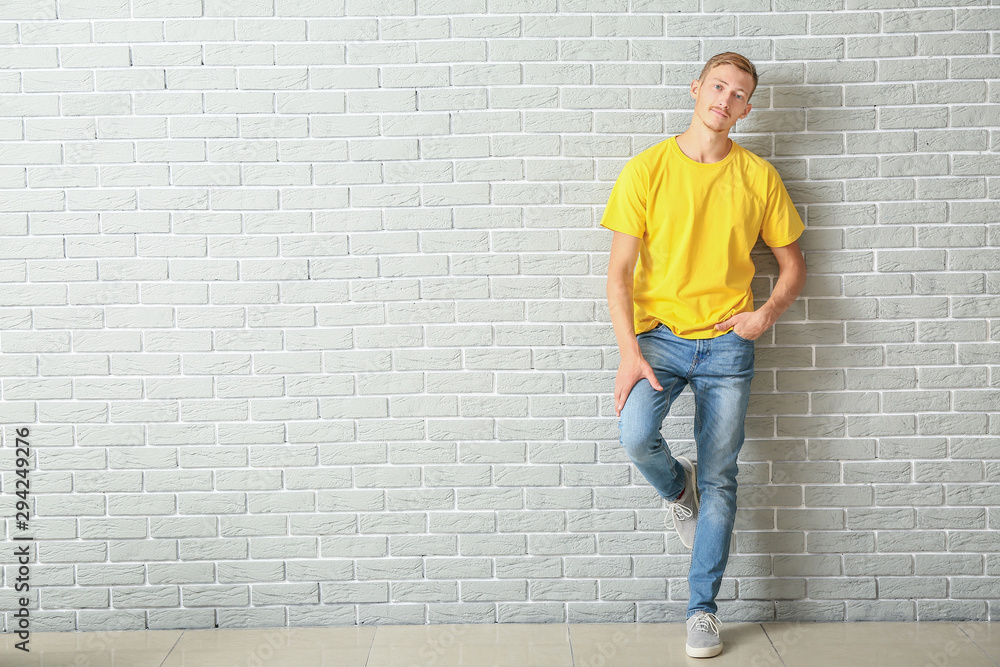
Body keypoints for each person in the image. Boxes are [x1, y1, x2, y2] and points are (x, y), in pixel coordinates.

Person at [601, 52, 806, 658]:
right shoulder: (647, 169)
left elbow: (793, 265)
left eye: (739, 94)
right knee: (636, 435)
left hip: (727, 344)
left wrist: (764, 315)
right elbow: (619, 273)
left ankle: (702, 612)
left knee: (722, 478)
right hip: (659, 337)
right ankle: (675, 487)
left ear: (748, 107)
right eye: (717, 86)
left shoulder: (759, 177)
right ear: (696, 89)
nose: (725, 99)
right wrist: (627, 352)